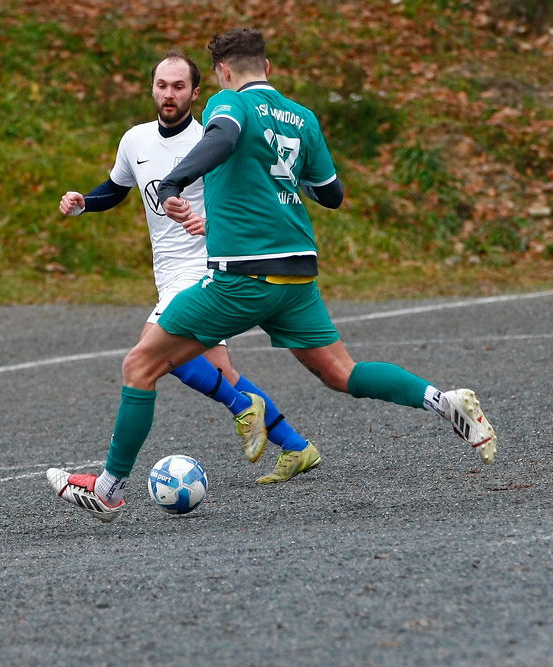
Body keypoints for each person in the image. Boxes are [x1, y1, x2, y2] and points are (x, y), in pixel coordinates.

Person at [47, 28, 496, 523]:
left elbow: (222, 137)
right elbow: (332, 194)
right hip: (298, 274)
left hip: (244, 277)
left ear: (220, 74)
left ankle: (109, 489)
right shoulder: (302, 117)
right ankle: (441, 400)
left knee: (141, 366)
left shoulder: (228, 106)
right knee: (341, 373)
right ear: (268, 68)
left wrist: (176, 179)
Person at [57, 49, 314, 489]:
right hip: (168, 271)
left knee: (150, 356)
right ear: (152, 89)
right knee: (219, 370)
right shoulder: (134, 139)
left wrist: (211, 222)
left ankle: (111, 484)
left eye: (179, 86)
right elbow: (117, 188)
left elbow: (245, 198)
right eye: (162, 85)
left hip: (207, 266)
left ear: (196, 92)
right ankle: (296, 446)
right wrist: (84, 202)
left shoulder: (215, 139)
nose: (169, 93)